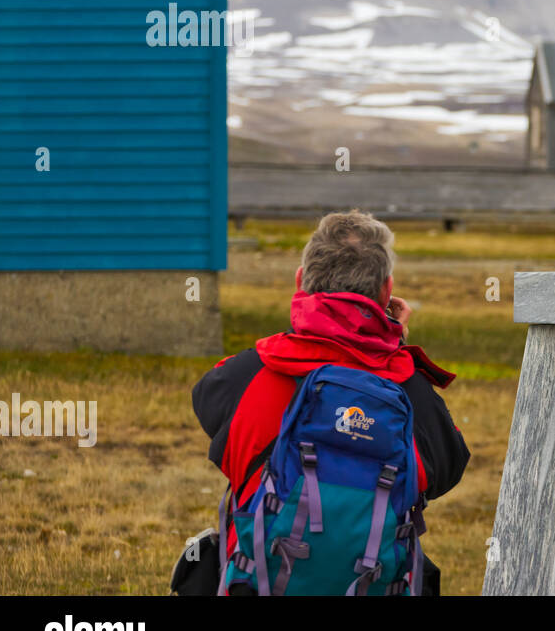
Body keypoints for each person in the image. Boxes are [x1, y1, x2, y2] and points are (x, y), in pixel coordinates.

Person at [191, 209, 469, 594]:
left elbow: (206, 405)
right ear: (387, 292)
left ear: (300, 281)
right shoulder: (410, 392)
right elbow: (448, 468)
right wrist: (392, 345)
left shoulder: (248, 375)